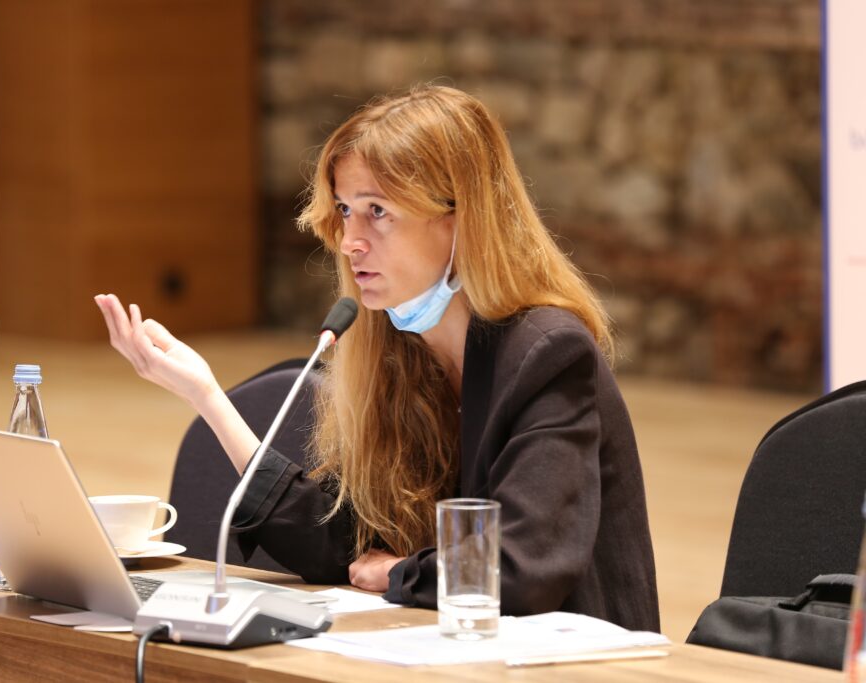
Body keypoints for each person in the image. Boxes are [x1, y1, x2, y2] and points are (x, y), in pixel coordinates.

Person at [95, 85, 659, 631]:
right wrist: (207, 397)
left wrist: (398, 573)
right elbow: (343, 549)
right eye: (345, 209)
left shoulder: (547, 354)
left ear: (462, 218)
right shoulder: (399, 352)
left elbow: (520, 570)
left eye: (378, 211)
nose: (350, 241)